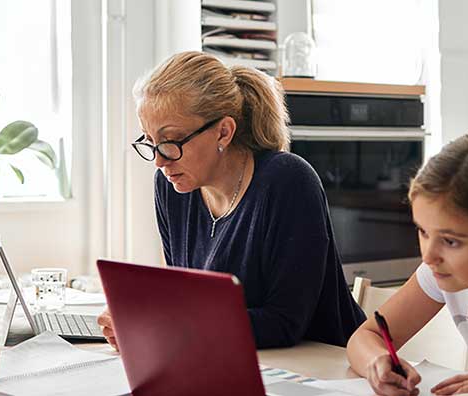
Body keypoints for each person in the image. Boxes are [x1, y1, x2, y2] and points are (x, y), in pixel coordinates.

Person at [98, 51, 365, 350]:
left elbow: (285, 323)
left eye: (171, 142)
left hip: (325, 367)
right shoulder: (171, 186)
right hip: (230, 358)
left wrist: (168, 326)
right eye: (150, 142)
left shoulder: (289, 182)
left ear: (223, 132)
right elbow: (186, 299)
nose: (159, 161)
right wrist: (140, 319)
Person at [347, 132, 468, 396]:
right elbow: (365, 338)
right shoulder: (441, 272)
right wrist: (376, 363)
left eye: (450, 241)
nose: (428, 257)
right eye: (423, 232)